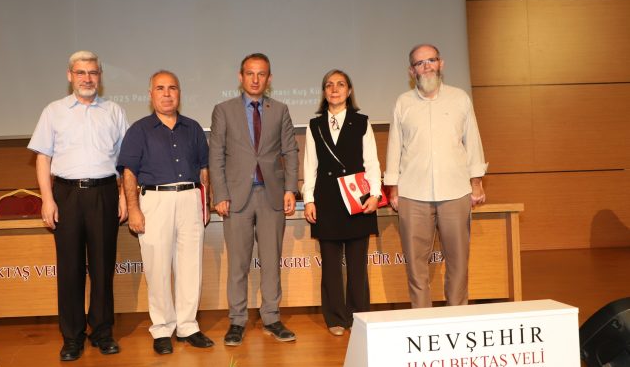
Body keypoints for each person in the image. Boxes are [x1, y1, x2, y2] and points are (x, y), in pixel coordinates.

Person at [28, 50, 129, 361]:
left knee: (102, 268)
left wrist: (124, 196)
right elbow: (42, 158)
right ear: (70, 76)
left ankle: (102, 332)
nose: (87, 78)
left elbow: (125, 162)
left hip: (104, 193)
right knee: (70, 269)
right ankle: (72, 337)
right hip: (67, 195)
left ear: (100, 76)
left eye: (93, 73)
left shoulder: (114, 111)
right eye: (81, 72)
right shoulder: (53, 111)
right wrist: (47, 199)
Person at [384, 43, 488, 308]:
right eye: (420, 63)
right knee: (415, 265)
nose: (427, 66)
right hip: (412, 194)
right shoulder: (403, 103)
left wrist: (476, 183)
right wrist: (393, 189)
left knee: (458, 261)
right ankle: (422, 319)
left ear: (441, 64)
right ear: (412, 71)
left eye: (431, 60)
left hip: (455, 191)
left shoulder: (460, 98)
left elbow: (473, 141)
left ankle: (457, 316)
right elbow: (394, 146)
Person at [118, 71, 213, 355]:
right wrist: (133, 209)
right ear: (151, 94)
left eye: (172, 88)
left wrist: (205, 202)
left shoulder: (193, 128)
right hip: (155, 201)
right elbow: (129, 172)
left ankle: (187, 326)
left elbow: (204, 169)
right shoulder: (139, 130)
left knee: (190, 266)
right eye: (160, 88)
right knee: (157, 267)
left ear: (179, 93)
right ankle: (161, 328)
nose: (167, 93)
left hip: (190, 199)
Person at [209, 53, 299, 346]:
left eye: (261, 74)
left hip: (272, 196)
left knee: (271, 261)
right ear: (241, 77)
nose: (255, 79)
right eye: (250, 73)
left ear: (269, 78)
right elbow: (216, 155)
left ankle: (271, 318)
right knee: (238, 263)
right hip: (236, 198)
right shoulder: (223, 110)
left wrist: (290, 189)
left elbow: (290, 151)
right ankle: (237, 321)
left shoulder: (280, 110)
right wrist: (220, 194)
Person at [302, 69, 381, 336]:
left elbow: (372, 162)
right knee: (331, 266)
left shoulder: (361, 122)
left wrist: (375, 194)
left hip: (358, 199)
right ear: (324, 92)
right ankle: (335, 317)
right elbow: (310, 166)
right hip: (327, 201)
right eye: (329, 85)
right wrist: (309, 199)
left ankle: (359, 317)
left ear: (349, 91)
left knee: (358, 265)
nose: (334, 89)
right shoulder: (315, 125)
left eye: (340, 84)